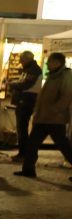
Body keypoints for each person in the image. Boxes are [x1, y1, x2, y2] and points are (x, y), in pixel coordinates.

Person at [14, 51, 72, 180]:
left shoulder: (65, 76)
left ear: (57, 62)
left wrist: (55, 110)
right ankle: (28, 169)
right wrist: (38, 111)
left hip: (55, 119)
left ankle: (28, 169)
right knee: (32, 144)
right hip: (43, 118)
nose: (47, 63)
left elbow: (66, 95)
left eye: (49, 61)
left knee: (64, 146)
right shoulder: (52, 75)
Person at [8, 50, 42, 161]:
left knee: (22, 129)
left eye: (21, 59)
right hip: (23, 101)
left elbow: (25, 84)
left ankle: (24, 154)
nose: (20, 62)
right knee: (21, 128)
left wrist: (11, 84)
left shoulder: (33, 70)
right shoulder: (28, 69)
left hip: (26, 101)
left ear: (27, 59)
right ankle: (24, 153)